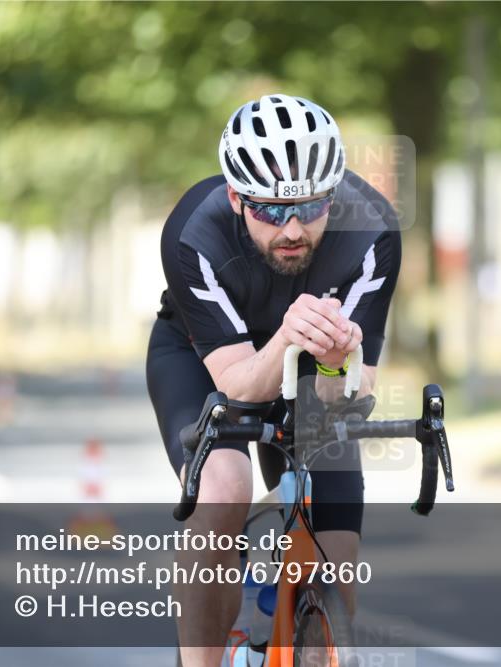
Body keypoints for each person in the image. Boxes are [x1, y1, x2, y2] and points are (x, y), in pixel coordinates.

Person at [146, 93, 401, 666]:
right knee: (224, 492)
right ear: (236, 198)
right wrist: (285, 339)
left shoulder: (374, 233)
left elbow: (357, 389)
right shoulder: (193, 232)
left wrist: (338, 364)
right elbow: (237, 384)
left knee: (336, 556)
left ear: (332, 195)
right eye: (268, 211)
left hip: (309, 361)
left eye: (310, 208)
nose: (292, 228)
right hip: (203, 362)